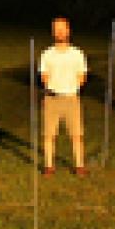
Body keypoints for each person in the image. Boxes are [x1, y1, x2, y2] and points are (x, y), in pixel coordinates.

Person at [39, 17, 88, 177]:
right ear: (53, 32)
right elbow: (44, 77)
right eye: (56, 29)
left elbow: (82, 76)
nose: (59, 32)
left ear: (68, 31)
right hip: (52, 98)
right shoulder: (47, 54)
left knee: (76, 135)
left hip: (71, 99)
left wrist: (70, 88)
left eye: (62, 28)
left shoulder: (77, 53)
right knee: (49, 135)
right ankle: (48, 166)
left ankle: (79, 166)